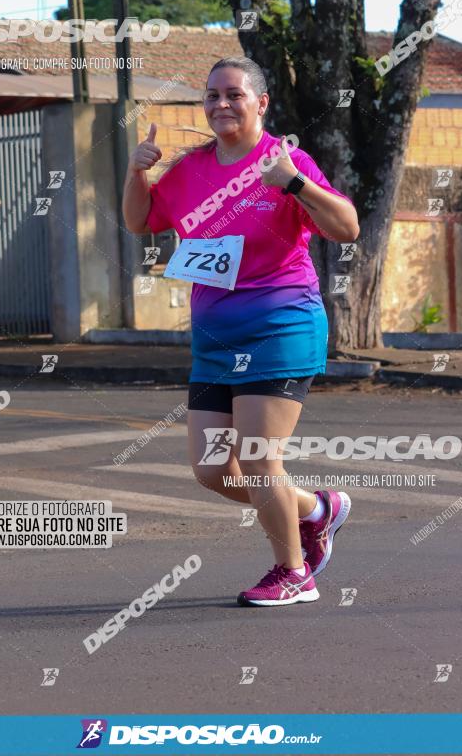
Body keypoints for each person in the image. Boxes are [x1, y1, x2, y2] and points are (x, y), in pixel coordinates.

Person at [123, 56, 359, 607]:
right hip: (215, 341)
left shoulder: (285, 160)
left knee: (257, 459)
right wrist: (138, 172)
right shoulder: (189, 170)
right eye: (211, 95)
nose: (221, 104)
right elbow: (140, 222)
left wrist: (296, 184)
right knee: (211, 469)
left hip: (279, 326)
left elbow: (345, 227)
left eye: (233, 94)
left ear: (261, 103)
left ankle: (294, 573)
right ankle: (316, 509)